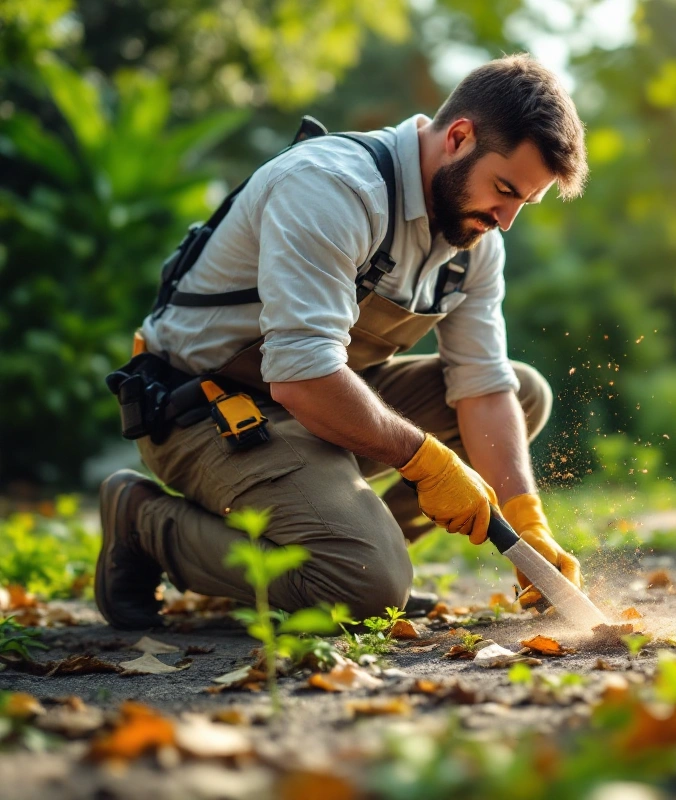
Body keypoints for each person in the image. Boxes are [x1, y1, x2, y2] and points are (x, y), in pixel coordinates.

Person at [95, 54, 586, 629]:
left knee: (521, 394)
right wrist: (428, 463)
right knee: (368, 585)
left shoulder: (473, 241)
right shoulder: (333, 188)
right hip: (202, 412)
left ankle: (344, 550)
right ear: (458, 137)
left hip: (315, 406)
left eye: (523, 202)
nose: (505, 220)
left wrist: (527, 519)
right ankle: (147, 524)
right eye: (503, 190)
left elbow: (481, 384)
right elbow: (303, 375)